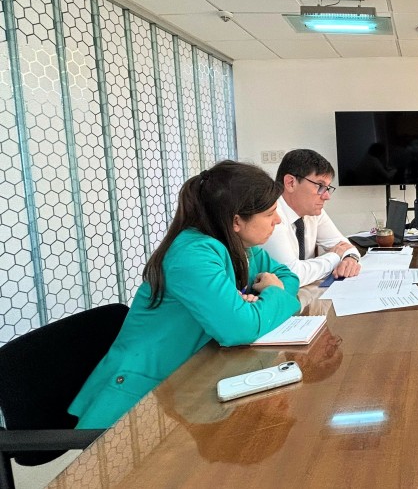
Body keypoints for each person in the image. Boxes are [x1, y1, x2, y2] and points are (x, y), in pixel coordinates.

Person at [69, 160, 301, 429]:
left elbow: (289, 278)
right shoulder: (192, 255)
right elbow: (239, 327)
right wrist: (272, 293)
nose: (278, 220)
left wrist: (264, 299)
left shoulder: (241, 248)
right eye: (270, 213)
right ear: (236, 220)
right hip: (140, 406)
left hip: (192, 383)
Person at [261, 149, 361, 287]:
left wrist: (350, 258)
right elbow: (292, 275)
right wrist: (334, 257)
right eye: (320, 186)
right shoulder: (270, 215)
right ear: (290, 183)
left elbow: (345, 245)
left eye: (327, 188)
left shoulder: (313, 212)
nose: (327, 196)